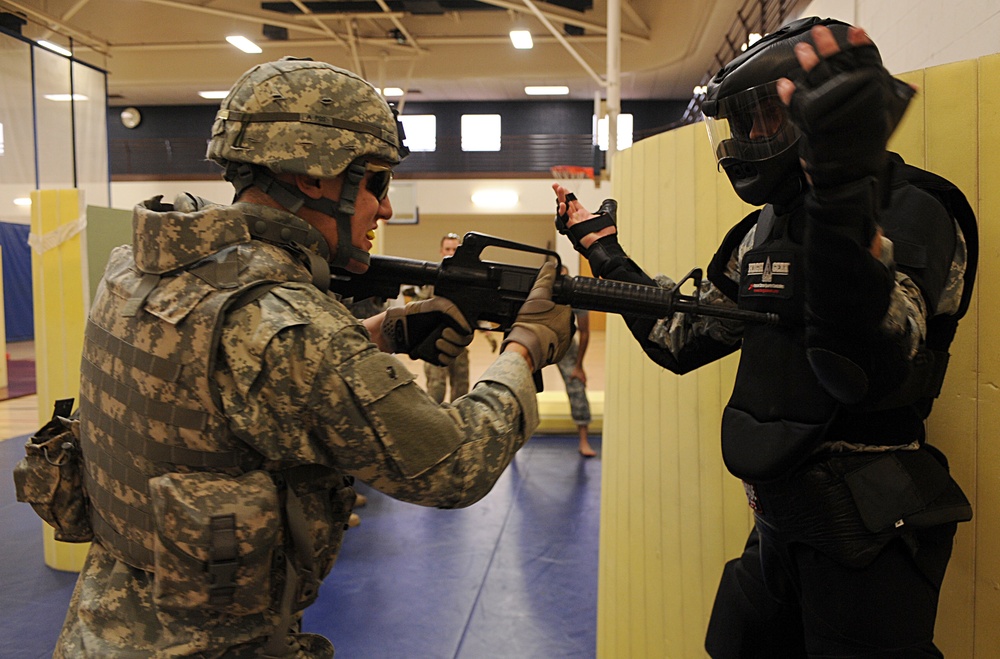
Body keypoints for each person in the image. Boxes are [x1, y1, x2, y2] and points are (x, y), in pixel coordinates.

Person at [55, 57, 572, 658]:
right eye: (376, 183)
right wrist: (525, 347)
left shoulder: (143, 266)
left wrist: (377, 333)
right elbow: (453, 465)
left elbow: (222, 383)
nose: (383, 208)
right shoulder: (294, 327)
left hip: (100, 628)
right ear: (313, 178)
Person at [554, 18, 976, 657]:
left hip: (868, 529)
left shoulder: (913, 207)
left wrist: (841, 205)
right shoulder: (765, 230)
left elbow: (868, 363)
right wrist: (603, 251)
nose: (747, 139)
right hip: (780, 520)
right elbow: (680, 337)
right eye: (740, 122)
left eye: (766, 118)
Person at [414, 232, 498, 404]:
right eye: (447, 249)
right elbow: (416, 309)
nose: (450, 253)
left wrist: (488, 335)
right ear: (441, 251)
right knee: (436, 390)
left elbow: (476, 312)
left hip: (459, 343)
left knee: (461, 390)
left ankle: (456, 427)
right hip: (435, 343)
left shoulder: (468, 282)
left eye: (454, 249)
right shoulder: (432, 278)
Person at [556, 266, 596, 457]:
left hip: (564, 343)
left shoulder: (575, 295)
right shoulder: (542, 291)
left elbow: (585, 332)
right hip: (538, 340)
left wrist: (579, 366)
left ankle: (584, 441)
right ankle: (516, 440)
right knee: (522, 386)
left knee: (576, 383)